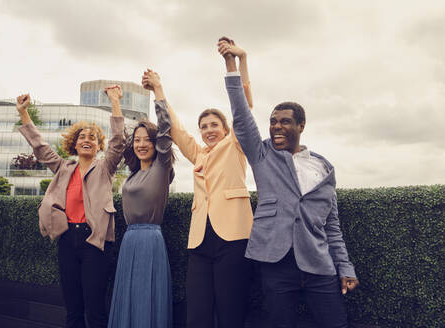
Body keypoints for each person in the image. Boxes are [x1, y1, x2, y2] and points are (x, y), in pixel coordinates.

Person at [220, 41, 360, 328]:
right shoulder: (262, 156)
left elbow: (332, 226)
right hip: (276, 263)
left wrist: (344, 266)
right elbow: (241, 116)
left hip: (318, 263)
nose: (276, 127)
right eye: (272, 122)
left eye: (284, 122)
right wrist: (232, 64)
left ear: (301, 126)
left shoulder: (323, 168)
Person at [145, 37, 254, 328]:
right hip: (200, 239)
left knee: (231, 309)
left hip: (233, 237)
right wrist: (158, 90)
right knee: (197, 311)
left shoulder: (236, 145)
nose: (208, 130)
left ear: (226, 128)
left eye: (214, 125)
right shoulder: (199, 154)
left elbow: (244, 108)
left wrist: (237, 62)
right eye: (204, 126)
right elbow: (177, 128)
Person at [16, 87, 125, 328]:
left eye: (92, 138)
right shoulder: (64, 168)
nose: (87, 140)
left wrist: (115, 101)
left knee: (95, 309)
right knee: (73, 309)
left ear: (98, 146)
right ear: (74, 145)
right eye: (82, 138)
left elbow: (119, 141)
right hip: (67, 240)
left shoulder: (105, 168)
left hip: (95, 243)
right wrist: (24, 113)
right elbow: (40, 148)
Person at [107, 72, 175, 328]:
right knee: (128, 298)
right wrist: (115, 102)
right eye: (137, 140)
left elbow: (166, 129)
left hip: (150, 240)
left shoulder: (162, 166)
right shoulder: (133, 174)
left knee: (147, 298)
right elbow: (118, 140)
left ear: (155, 143)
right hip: (129, 241)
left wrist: (158, 89)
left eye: (147, 139)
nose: (141, 144)